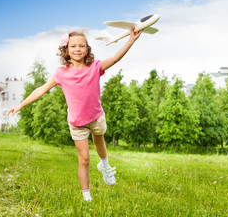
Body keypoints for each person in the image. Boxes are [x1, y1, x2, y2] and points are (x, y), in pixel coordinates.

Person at [7, 27, 142, 201]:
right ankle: (87, 197)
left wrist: (131, 39)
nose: (77, 49)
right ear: (66, 50)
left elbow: (115, 58)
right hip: (77, 122)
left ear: (87, 49)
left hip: (96, 116)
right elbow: (41, 89)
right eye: (73, 46)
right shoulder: (61, 74)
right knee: (84, 159)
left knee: (99, 141)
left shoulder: (95, 67)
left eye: (81, 46)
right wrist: (21, 104)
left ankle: (105, 166)